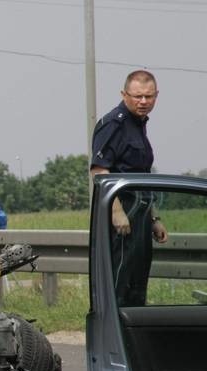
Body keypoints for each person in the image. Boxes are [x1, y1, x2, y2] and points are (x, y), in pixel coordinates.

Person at [90, 70, 168, 307]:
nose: (143, 101)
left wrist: (154, 218)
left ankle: (134, 339)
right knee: (119, 282)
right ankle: (114, 338)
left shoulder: (138, 125)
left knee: (137, 283)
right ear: (124, 95)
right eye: (137, 96)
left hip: (140, 215)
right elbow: (99, 171)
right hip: (122, 215)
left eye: (148, 96)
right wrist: (116, 213)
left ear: (156, 96)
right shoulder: (114, 124)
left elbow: (142, 176)